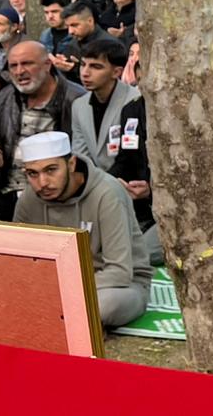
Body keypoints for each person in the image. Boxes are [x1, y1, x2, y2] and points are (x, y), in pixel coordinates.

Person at [13, 131, 150, 327]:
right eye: (33, 174)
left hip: (116, 287)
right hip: (53, 287)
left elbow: (119, 272)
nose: (42, 182)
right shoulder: (29, 199)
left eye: (51, 170)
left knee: (102, 305)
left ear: (71, 164)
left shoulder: (108, 193)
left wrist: (62, 291)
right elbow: (19, 262)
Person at [0, 41, 87, 220]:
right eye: (13, 66)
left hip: (55, 193)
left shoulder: (77, 99)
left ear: (47, 64)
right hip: (8, 187)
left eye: (27, 64)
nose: (19, 71)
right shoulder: (7, 95)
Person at [67, 38, 157, 263]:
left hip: (133, 189)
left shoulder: (135, 101)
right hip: (95, 187)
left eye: (96, 67)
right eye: (83, 65)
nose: (85, 73)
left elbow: (134, 157)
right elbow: (80, 153)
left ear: (117, 71)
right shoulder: (79, 105)